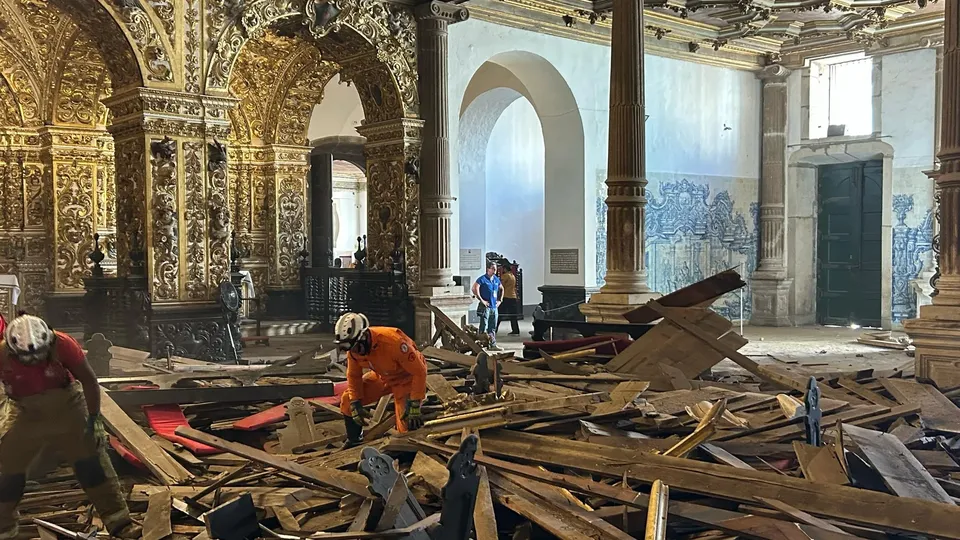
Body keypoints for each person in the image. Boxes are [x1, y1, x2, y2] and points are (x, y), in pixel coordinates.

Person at [0, 315, 140, 539]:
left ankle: (119, 522)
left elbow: (89, 380)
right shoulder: (2, 354)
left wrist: (94, 419)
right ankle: (4, 529)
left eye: (39, 355)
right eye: (28, 358)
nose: (35, 361)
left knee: (91, 463)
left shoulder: (64, 344)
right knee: (8, 472)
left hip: (67, 406)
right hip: (26, 410)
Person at [334, 312, 427, 447]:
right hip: (383, 375)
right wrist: (356, 401)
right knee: (347, 400)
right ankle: (354, 440)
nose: (354, 352)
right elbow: (354, 376)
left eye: (355, 347)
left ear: (364, 337)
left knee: (406, 422)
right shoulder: (354, 350)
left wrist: (414, 403)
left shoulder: (393, 342)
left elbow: (419, 371)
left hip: (406, 378)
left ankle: (409, 451)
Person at [472, 261, 504, 350]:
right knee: (484, 325)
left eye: (496, 269)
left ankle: (492, 344)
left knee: (492, 326)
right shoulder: (482, 279)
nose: (495, 271)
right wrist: (481, 300)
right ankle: (481, 345)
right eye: (493, 269)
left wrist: (500, 300)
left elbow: (502, 288)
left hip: (494, 307)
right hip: (486, 307)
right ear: (488, 269)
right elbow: (474, 288)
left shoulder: (496, 279)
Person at [496, 263, 521, 336]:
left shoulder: (505, 276)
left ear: (505, 269)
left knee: (499, 314)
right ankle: (516, 330)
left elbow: (501, 286)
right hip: (513, 297)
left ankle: (494, 328)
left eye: (503, 269)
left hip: (506, 297)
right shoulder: (512, 276)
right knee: (513, 315)